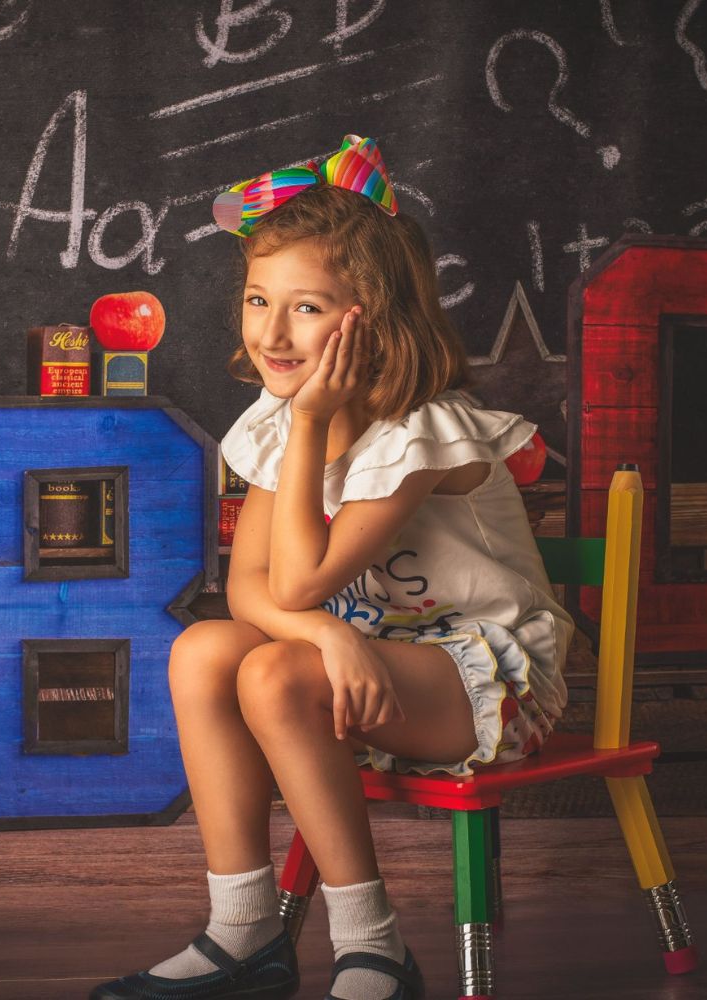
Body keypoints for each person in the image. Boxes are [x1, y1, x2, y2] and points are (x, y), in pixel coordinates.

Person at [90, 135, 572, 1000]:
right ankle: (245, 933)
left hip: (488, 677)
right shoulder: (280, 420)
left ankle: (374, 946)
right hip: (361, 659)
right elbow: (252, 590)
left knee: (274, 672)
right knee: (203, 649)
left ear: (373, 319)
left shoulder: (421, 432)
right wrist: (328, 638)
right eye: (256, 300)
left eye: (306, 308)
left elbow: (301, 579)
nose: (272, 333)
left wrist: (309, 429)